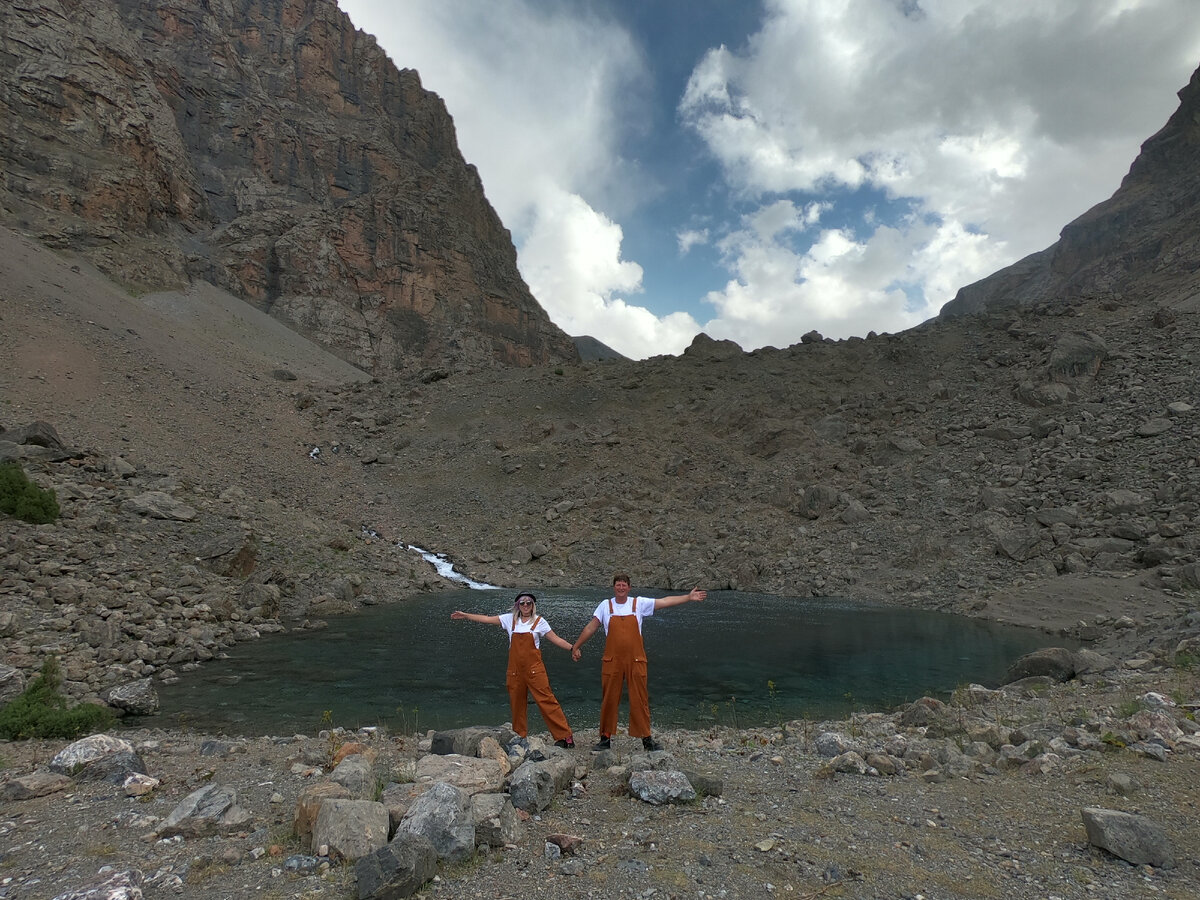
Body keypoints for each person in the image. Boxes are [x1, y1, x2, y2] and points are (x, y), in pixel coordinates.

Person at [571, 573, 706, 751]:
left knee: (640, 698)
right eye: (618, 585)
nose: (620, 588)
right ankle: (605, 739)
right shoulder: (605, 605)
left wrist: (688, 597)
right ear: (614, 587)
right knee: (609, 698)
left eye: (623, 585)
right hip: (612, 661)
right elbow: (591, 627)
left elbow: (664, 601)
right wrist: (576, 646)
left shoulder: (638, 603)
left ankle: (646, 739)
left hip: (636, 660)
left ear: (629, 588)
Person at [451, 592, 576, 749]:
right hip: (515, 671)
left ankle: (565, 736)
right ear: (517, 605)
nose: (525, 606)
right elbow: (487, 619)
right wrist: (466, 615)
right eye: (522, 603)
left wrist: (573, 648)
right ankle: (519, 736)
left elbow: (556, 638)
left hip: (535, 671)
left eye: (528, 603)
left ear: (533, 605)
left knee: (547, 701)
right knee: (517, 704)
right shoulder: (509, 620)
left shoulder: (539, 621)